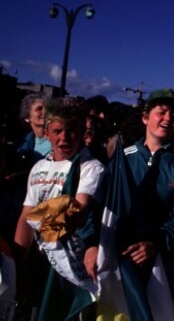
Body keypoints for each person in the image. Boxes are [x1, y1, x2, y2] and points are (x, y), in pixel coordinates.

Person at [13, 100, 105, 320]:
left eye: (72, 131)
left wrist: (45, 217)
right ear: (46, 133)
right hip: (40, 260)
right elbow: (26, 218)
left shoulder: (90, 167)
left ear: (82, 132)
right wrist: (18, 265)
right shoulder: (38, 168)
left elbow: (78, 207)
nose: (64, 138)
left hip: (71, 263)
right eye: (57, 131)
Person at [119, 88, 174, 316]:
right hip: (123, 257)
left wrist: (156, 243)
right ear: (145, 117)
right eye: (161, 112)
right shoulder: (125, 156)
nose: (168, 119)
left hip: (166, 262)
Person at [16, 93, 50, 165]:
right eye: (39, 109)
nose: (45, 112)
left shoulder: (59, 138)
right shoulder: (23, 145)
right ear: (27, 117)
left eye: (47, 108)